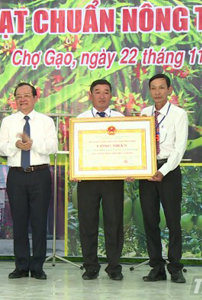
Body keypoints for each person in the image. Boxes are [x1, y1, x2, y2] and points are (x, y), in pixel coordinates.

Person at [0, 82, 58, 280]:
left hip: (39, 174)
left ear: (35, 97)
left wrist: (34, 144)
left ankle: (38, 266)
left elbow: (53, 147)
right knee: (19, 222)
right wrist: (15, 145)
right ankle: (21, 265)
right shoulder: (8, 122)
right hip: (16, 175)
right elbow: (1, 148)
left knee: (40, 222)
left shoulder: (46, 121)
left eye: (26, 95)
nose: (22, 99)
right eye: (18, 96)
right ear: (15, 99)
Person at [74, 79, 127, 281]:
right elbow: (76, 148)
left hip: (113, 179)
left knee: (114, 223)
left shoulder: (120, 118)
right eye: (98, 92)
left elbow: (127, 146)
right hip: (88, 179)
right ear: (91, 95)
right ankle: (90, 267)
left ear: (111, 95)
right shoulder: (81, 119)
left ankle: (114, 267)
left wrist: (130, 168)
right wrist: (76, 170)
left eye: (106, 92)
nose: (102, 96)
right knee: (88, 223)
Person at [139, 74, 188, 283]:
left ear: (169, 90)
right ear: (149, 91)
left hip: (169, 171)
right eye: (153, 88)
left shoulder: (179, 114)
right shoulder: (144, 113)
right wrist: (136, 167)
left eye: (161, 88)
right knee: (150, 221)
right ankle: (156, 267)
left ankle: (175, 268)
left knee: (173, 221)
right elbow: (138, 144)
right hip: (147, 170)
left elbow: (179, 149)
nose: (157, 92)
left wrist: (164, 170)